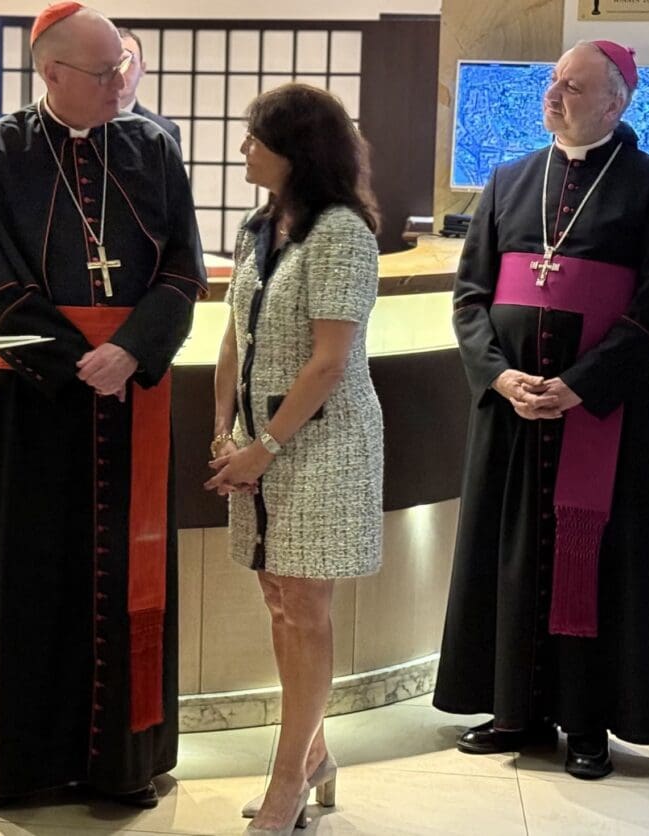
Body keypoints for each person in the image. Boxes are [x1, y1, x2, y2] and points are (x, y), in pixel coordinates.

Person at [0, 2, 206, 811]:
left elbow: (185, 270)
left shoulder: (155, 149)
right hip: (37, 403)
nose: (124, 81)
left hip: (134, 398)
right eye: (104, 70)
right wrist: (81, 361)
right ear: (50, 74)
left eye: (124, 64)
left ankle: (126, 764)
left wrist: (135, 351)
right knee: (30, 582)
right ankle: (13, 766)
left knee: (129, 580)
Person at [434, 41, 649, 780]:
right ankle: (513, 713)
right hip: (510, 412)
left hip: (600, 414)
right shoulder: (508, 180)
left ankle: (588, 722)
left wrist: (582, 385)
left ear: (615, 102)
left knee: (593, 558)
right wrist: (499, 377)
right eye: (553, 83)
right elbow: (470, 298)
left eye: (573, 86)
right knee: (509, 555)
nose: (554, 95)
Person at [206, 83, 383, 835]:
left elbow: (328, 363)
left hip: (322, 444)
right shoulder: (257, 227)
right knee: (279, 598)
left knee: (305, 608)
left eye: (255, 138)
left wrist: (263, 447)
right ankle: (314, 754)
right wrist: (224, 429)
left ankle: (290, 782)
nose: (244, 148)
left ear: (296, 151)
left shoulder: (342, 232)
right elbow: (231, 338)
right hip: (259, 444)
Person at [116, 27, 183, 152]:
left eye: (128, 62)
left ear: (142, 68)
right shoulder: (83, 125)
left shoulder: (163, 131)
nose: (120, 71)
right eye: (113, 63)